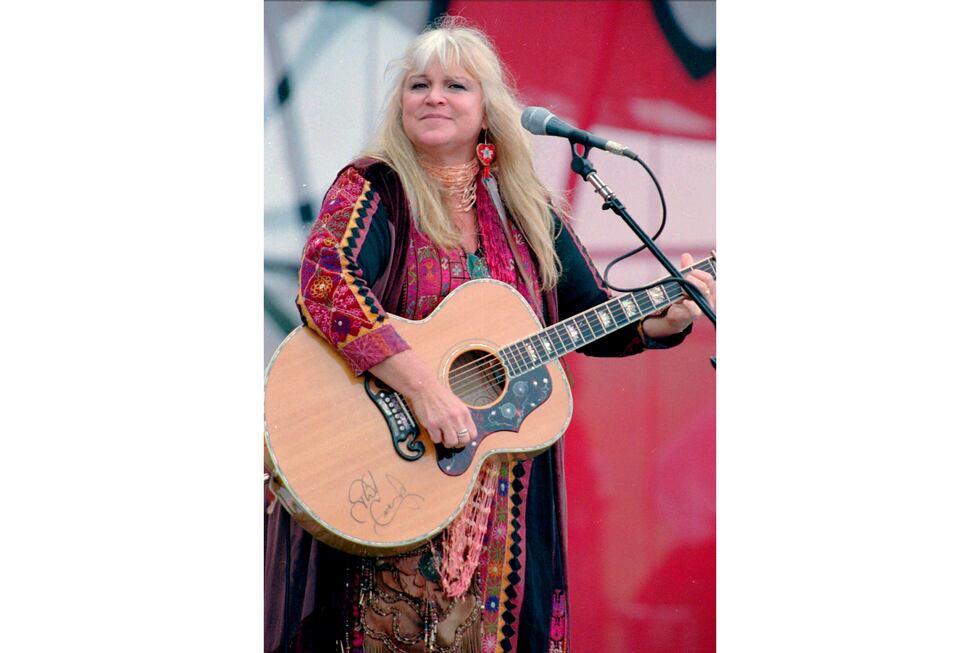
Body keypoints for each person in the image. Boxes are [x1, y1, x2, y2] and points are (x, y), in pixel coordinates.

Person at [265, 18, 715, 653]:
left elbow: (589, 318)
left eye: (456, 85)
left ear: (487, 111)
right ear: (402, 104)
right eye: (419, 85)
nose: (434, 97)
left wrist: (661, 319)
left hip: (505, 507)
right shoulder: (376, 187)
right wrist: (422, 386)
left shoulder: (524, 208)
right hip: (394, 483)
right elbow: (326, 282)